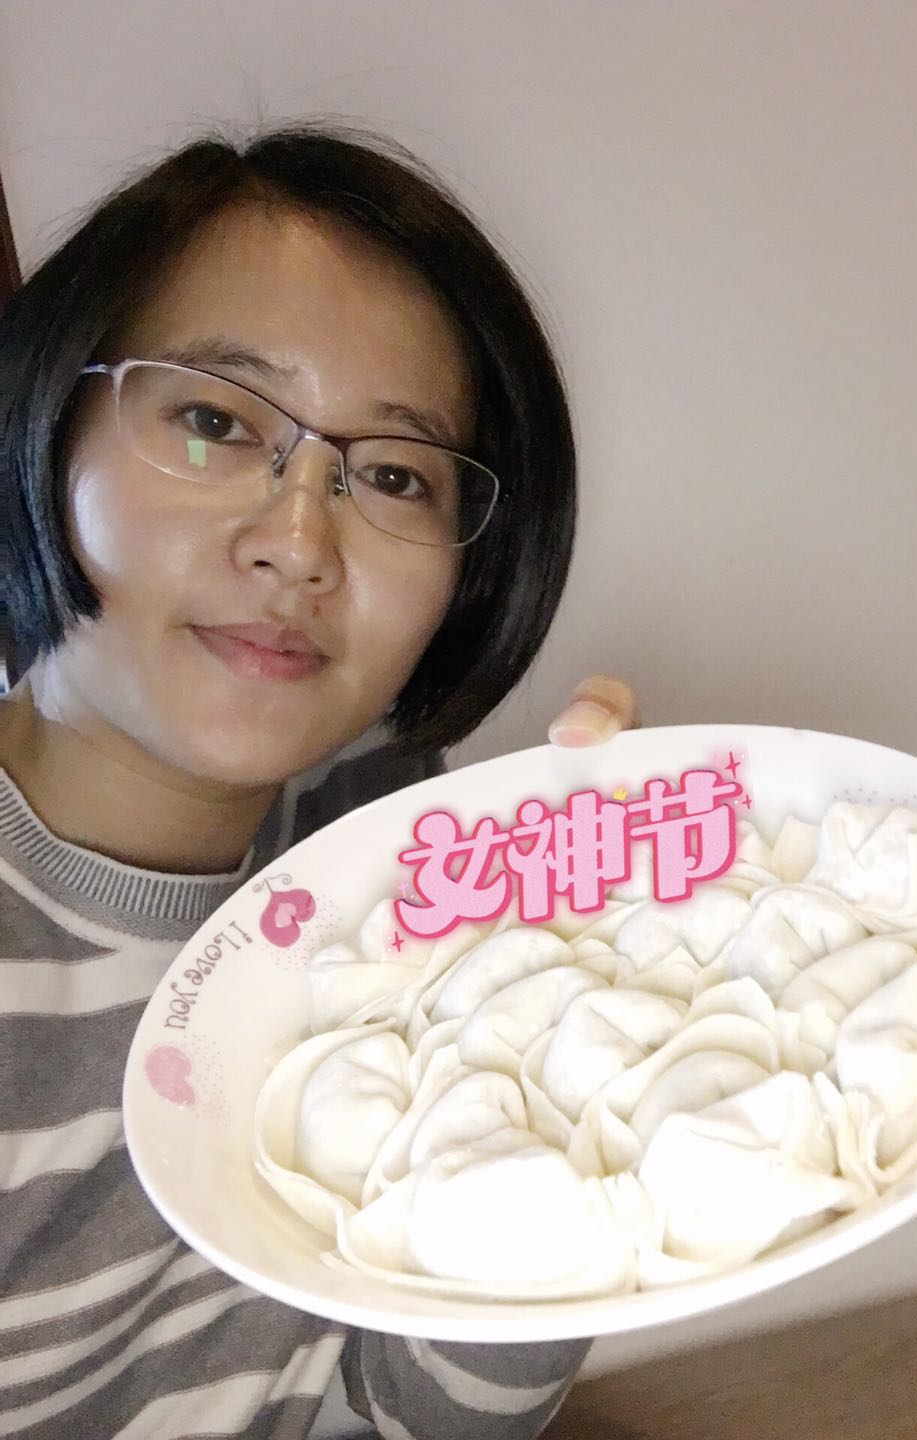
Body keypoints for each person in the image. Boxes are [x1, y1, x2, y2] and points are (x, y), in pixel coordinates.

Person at [0, 125, 638, 1440]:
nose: (299, 543)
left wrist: (565, 1026)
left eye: (393, 475)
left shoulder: (372, 830)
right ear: (46, 423)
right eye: (215, 420)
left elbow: (398, 1412)